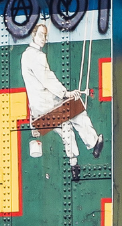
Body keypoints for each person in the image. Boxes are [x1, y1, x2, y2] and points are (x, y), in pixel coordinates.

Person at [20, 21, 102, 181]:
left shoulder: (25, 56)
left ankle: (74, 164)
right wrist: (66, 93)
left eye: (45, 36)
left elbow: (34, 89)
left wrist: (32, 122)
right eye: (40, 35)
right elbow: (47, 79)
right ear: (33, 35)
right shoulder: (36, 56)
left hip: (38, 114)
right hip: (47, 107)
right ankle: (94, 143)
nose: (43, 38)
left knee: (65, 126)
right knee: (77, 110)